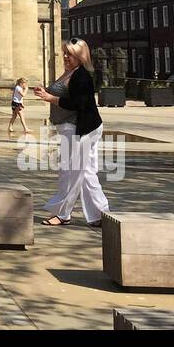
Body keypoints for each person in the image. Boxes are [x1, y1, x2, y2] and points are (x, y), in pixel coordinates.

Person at [32, 38, 110, 227]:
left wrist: (51, 98)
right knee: (86, 173)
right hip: (74, 128)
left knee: (71, 173)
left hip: (80, 129)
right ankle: (101, 214)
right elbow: (65, 94)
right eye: (65, 53)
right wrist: (46, 92)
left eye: (70, 54)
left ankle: (62, 213)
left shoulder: (81, 76)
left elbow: (78, 104)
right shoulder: (71, 72)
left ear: (80, 56)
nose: (66, 57)